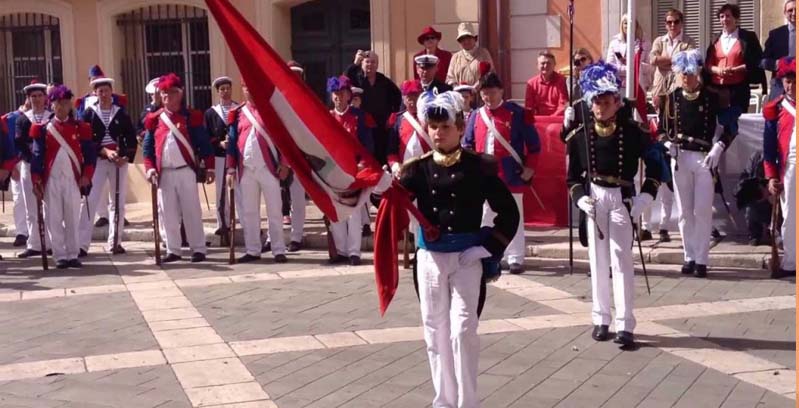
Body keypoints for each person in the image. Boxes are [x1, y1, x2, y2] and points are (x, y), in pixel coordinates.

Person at [393, 90, 517, 408]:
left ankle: (468, 402)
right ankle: (444, 400)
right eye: (433, 127)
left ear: (460, 128)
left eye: (445, 126)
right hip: (431, 258)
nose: (438, 132)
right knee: (435, 329)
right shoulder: (416, 169)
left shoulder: (479, 167)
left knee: (463, 329)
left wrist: (488, 248)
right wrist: (383, 189)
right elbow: (394, 202)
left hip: (466, 257)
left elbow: (508, 211)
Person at [567, 62, 661, 347]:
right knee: (597, 262)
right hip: (595, 198)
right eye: (596, 102)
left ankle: (625, 322)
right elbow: (572, 176)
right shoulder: (581, 135)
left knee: (621, 262)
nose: (600, 108)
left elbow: (657, 166)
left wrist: (646, 196)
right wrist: (580, 197)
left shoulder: (633, 132)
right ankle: (601, 318)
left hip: (622, 199)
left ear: (617, 103)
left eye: (606, 102)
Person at [659, 49, 733, 278]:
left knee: (702, 210)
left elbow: (730, 127)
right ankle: (689, 255)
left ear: (698, 73)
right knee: (684, 212)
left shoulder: (711, 97)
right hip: (680, 157)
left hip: (703, 158)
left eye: (690, 73)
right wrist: (666, 144)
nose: (686, 78)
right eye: (683, 73)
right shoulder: (672, 98)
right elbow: (662, 130)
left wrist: (719, 147)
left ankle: (702, 258)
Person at [463, 71, 540, 275]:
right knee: (486, 217)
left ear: (502, 91)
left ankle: (515, 257)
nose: (488, 97)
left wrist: (530, 168)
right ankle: (489, 253)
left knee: (515, 216)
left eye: (492, 92)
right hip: (483, 177)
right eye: (485, 93)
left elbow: (534, 145)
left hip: (510, 174)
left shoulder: (517, 113)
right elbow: (468, 143)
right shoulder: (476, 115)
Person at [143, 73, 215, 263]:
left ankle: (198, 248)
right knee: (168, 213)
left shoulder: (191, 117)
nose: (167, 96)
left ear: (180, 94)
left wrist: (209, 167)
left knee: (192, 211)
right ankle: (173, 250)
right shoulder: (154, 119)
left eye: (171, 92)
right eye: (164, 93)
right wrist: (150, 169)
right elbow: (148, 148)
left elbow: (204, 143)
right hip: (164, 173)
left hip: (186, 171)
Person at [30, 85, 96, 269]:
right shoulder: (43, 130)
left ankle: (73, 254)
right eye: (59, 103)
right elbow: (37, 157)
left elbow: (90, 156)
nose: (62, 107)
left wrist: (86, 176)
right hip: (51, 180)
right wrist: (36, 180)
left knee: (73, 217)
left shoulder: (80, 127)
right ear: (52, 105)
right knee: (54, 218)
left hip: (73, 179)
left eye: (66, 103)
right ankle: (59, 255)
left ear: (70, 105)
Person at [225, 80, 290, 264]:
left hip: (268, 167)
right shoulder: (237, 113)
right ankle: (253, 249)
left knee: (275, 210)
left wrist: (285, 164)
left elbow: (284, 139)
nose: (250, 91)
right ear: (243, 90)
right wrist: (230, 168)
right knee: (249, 212)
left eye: (253, 87)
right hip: (246, 169)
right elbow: (231, 142)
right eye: (247, 88)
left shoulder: (271, 110)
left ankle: (278, 249)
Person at [77, 74, 137, 256]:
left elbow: (131, 139)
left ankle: (115, 242)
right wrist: (104, 152)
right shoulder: (88, 114)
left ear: (112, 92)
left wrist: (124, 156)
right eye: (100, 91)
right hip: (97, 162)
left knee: (117, 203)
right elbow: (85, 141)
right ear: (95, 93)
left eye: (107, 91)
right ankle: (81, 244)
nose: (104, 94)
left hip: (118, 163)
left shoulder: (121, 113)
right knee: (90, 201)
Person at [326, 75, 374, 265]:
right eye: (335, 94)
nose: (338, 97)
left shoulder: (358, 116)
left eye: (342, 93)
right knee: (336, 212)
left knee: (353, 212)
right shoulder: (327, 117)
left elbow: (367, 143)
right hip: (333, 171)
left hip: (354, 168)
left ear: (348, 95)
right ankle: (341, 251)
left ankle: (354, 252)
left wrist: (363, 163)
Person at [704, 3, 766, 137]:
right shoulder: (715, 38)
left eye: (728, 16)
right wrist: (717, 70)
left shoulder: (747, 37)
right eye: (721, 16)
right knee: (718, 125)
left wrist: (736, 69)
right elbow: (708, 64)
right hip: (717, 90)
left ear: (736, 18)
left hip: (739, 90)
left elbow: (756, 61)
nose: (724, 19)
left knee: (735, 126)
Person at [763, 56, 795, 279]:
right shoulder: (775, 109)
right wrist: (771, 176)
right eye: (787, 81)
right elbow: (769, 148)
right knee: (791, 215)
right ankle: (791, 261)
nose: (790, 85)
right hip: (790, 167)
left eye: (794, 80)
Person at [14, 80, 52, 258]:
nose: (36, 99)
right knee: (30, 206)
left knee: (50, 206)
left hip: (49, 167)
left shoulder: (52, 117)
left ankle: (52, 243)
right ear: (29, 99)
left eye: (39, 96)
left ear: (45, 98)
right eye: (33, 96)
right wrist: (31, 159)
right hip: (28, 166)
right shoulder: (23, 119)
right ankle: (34, 243)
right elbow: (19, 143)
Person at [345, 50, 401, 165]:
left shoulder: (384, 81)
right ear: (362, 64)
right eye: (367, 62)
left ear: (377, 65)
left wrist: (394, 116)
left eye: (373, 62)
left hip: (381, 127)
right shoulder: (356, 78)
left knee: (381, 159)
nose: (370, 65)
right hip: (362, 127)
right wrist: (354, 64)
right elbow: (343, 81)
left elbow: (398, 97)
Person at [205, 76, 239, 242]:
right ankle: (222, 224)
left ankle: (243, 222)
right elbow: (207, 136)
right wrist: (219, 143)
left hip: (238, 157)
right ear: (217, 92)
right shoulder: (211, 113)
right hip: (219, 156)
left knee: (240, 190)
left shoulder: (239, 109)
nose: (225, 91)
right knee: (221, 191)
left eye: (228, 88)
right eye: (222, 89)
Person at [649, 8, 697, 111]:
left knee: (678, 118)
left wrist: (662, 62)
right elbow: (653, 60)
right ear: (665, 24)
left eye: (676, 22)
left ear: (681, 23)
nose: (672, 25)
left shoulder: (689, 42)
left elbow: (686, 63)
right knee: (661, 120)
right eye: (669, 22)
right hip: (660, 87)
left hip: (678, 86)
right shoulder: (659, 41)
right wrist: (676, 59)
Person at [2, 100, 31, 247]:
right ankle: (22, 232)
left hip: (35, 162)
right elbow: (8, 143)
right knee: (19, 198)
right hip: (17, 162)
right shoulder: (10, 118)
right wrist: (11, 166)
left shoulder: (45, 116)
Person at [387, 80, 429, 176]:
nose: (412, 101)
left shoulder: (431, 118)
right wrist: (396, 166)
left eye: (416, 97)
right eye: (409, 97)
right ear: (403, 98)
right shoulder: (397, 120)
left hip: (428, 171)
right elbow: (391, 151)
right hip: (405, 173)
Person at [606, 14, 652, 89]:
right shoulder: (614, 43)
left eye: (631, 23)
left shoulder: (645, 43)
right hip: (619, 86)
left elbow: (649, 67)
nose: (628, 26)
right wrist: (631, 69)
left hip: (639, 85)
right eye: (625, 23)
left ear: (636, 25)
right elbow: (610, 66)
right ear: (622, 25)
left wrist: (633, 64)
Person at [762, 0, 796, 101]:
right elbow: (763, 61)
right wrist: (777, 64)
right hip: (780, 87)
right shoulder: (775, 34)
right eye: (790, 10)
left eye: (797, 10)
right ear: (785, 13)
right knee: (778, 116)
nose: (794, 13)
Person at [446, 22, 494, 88]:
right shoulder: (455, 57)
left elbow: (491, 73)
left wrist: (479, 83)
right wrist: (458, 88)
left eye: (468, 38)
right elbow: (450, 78)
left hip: (480, 95)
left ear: (475, 39)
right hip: (461, 95)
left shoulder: (483, 53)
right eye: (462, 39)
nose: (466, 41)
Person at [524, 51, 569, 116]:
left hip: (557, 120)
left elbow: (562, 106)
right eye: (542, 63)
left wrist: (550, 119)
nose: (545, 66)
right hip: (538, 120)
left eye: (548, 63)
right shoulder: (531, 83)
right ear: (537, 65)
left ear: (554, 65)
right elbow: (529, 107)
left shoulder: (562, 81)